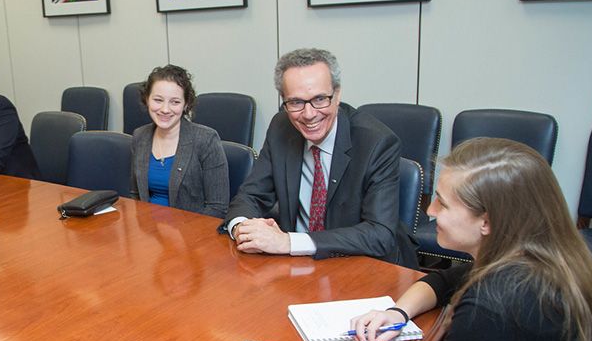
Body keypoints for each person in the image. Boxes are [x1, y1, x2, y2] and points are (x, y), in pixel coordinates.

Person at [344, 138, 592, 341]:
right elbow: (444, 281)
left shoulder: (494, 302)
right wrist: (397, 312)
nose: (430, 212)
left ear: (486, 221)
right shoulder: (549, 260)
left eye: (442, 203)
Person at [219, 48, 416, 268]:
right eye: (296, 103)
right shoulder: (281, 127)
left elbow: (379, 233)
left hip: (360, 265)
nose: (309, 114)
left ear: (338, 95)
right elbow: (251, 195)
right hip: (298, 267)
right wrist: (242, 229)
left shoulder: (377, 142)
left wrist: (288, 242)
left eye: (320, 99)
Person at [129, 65, 228, 218]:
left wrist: (182, 236)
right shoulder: (140, 136)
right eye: (158, 100)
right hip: (147, 232)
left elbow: (217, 208)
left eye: (175, 102)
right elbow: (136, 195)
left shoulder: (206, 140)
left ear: (186, 104)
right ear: (147, 99)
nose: (165, 109)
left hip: (190, 233)